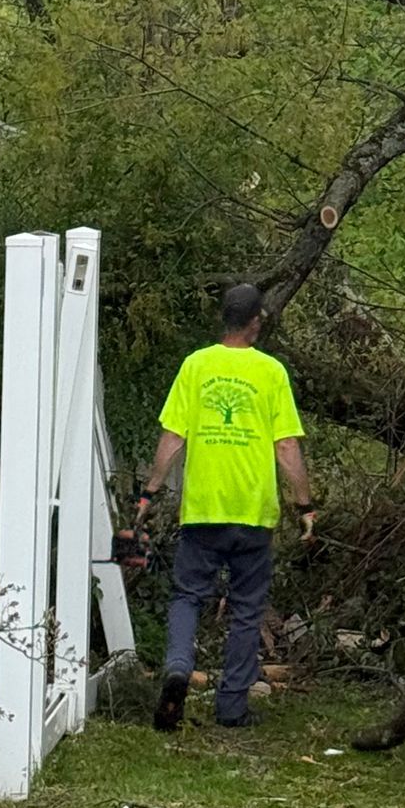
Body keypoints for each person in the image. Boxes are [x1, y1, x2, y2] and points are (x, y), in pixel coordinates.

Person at [134, 282, 315, 731]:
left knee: (188, 596)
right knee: (246, 609)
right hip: (253, 513)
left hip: (203, 510)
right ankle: (232, 706)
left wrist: (149, 493)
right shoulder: (271, 372)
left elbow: (173, 437)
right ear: (256, 321)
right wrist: (304, 503)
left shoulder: (196, 366)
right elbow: (287, 445)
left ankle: (178, 665)